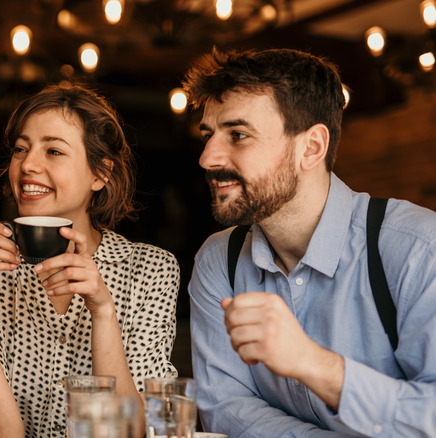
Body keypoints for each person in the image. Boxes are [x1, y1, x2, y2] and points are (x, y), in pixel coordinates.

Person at [185, 47, 436, 436]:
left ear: (312, 148)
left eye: (237, 134)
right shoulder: (220, 260)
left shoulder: (419, 249)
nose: (207, 158)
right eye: (208, 135)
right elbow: (226, 408)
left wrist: (313, 363)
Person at [0, 83, 180, 437]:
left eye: (53, 151)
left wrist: (102, 311)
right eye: (21, 149)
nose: (28, 165)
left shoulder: (150, 270)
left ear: (100, 173)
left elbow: (137, 432)